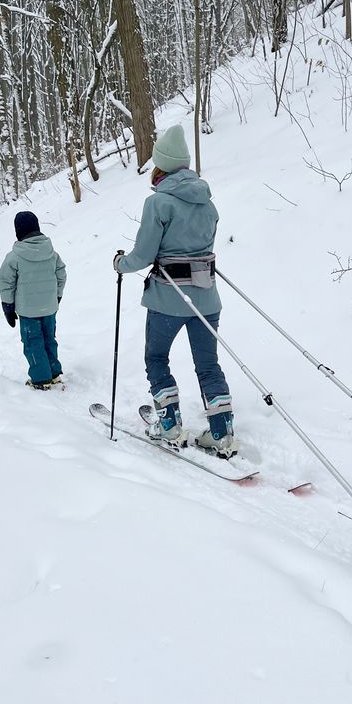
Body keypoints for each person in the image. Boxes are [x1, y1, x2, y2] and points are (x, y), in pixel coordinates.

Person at [113, 123, 237, 458]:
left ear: (161, 165)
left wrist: (120, 264)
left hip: (169, 299)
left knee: (156, 357)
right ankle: (222, 433)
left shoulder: (159, 204)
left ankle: (168, 425)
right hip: (207, 298)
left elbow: (143, 255)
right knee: (208, 364)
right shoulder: (208, 203)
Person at [0, 211, 66, 389]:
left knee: (33, 342)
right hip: (50, 308)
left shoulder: (14, 257)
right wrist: (57, 296)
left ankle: (41, 379)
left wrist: (8, 307)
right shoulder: (52, 253)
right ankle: (54, 373)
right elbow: (61, 274)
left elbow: (6, 283)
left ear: (18, 231)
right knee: (49, 338)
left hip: (28, 311)